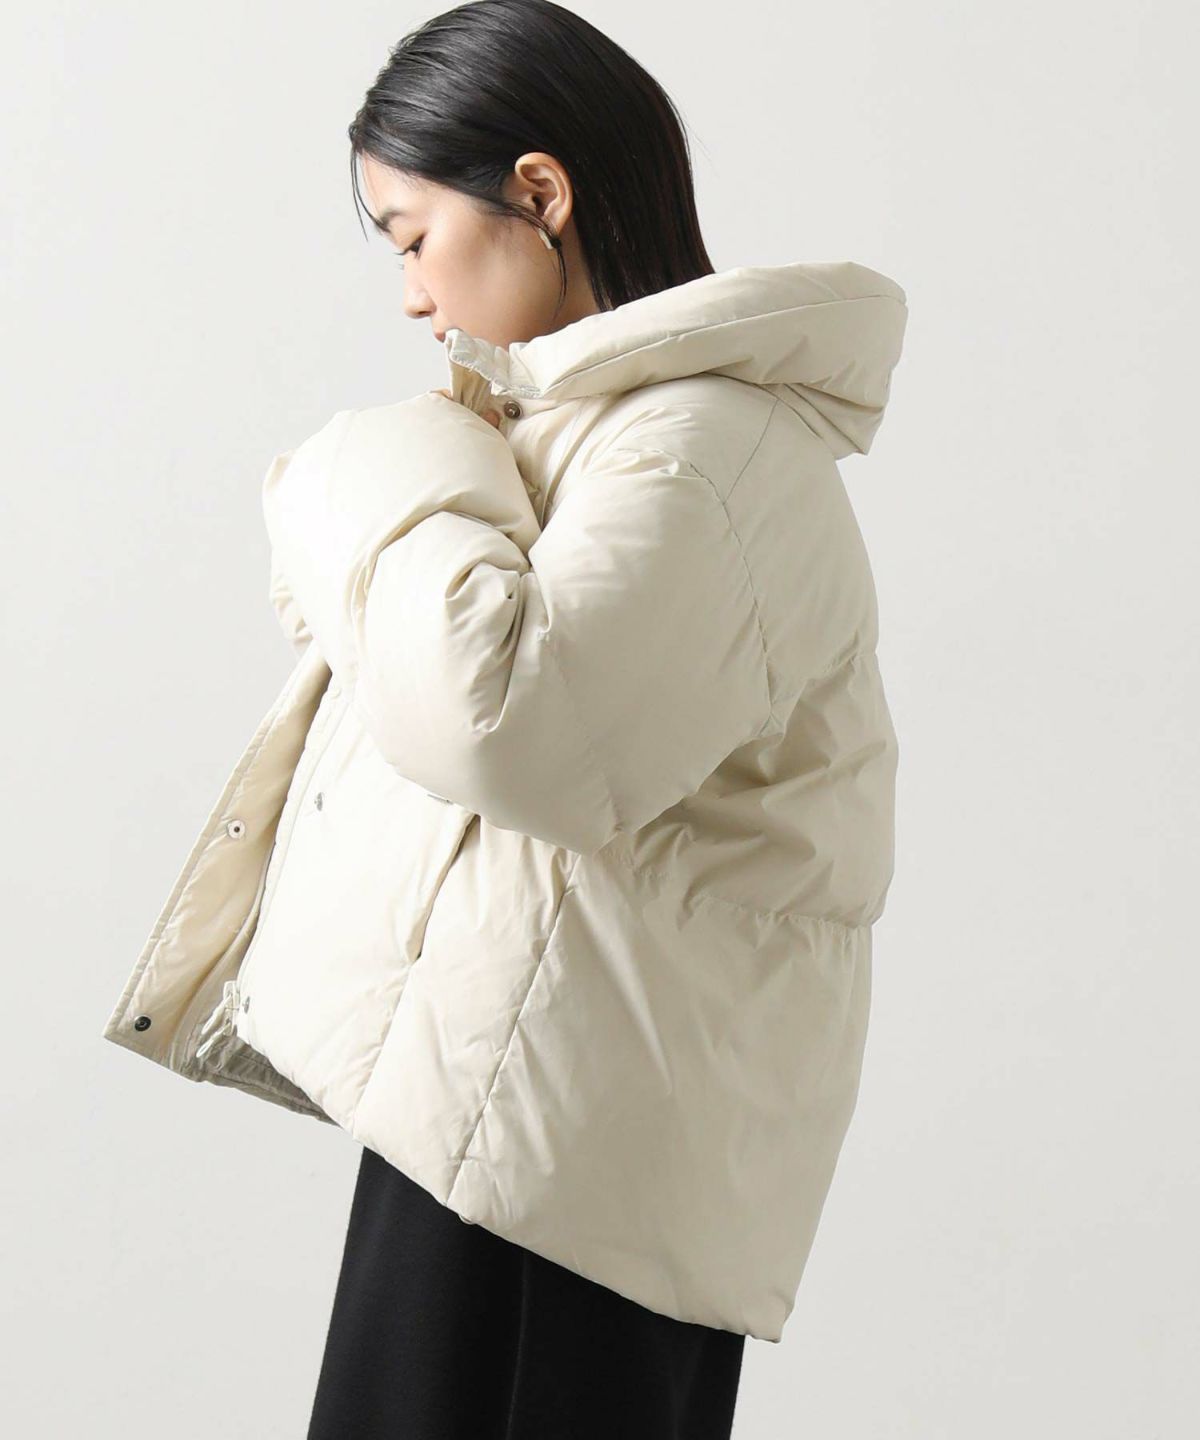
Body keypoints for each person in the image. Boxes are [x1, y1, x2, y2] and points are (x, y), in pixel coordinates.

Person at [101, 1, 908, 1435]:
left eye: (412, 236)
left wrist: (368, 469)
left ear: (539, 193)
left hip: (568, 1176)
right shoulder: (599, 434)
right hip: (517, 1116)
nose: (412, 295)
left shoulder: (704, 451)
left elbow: (517, 730)